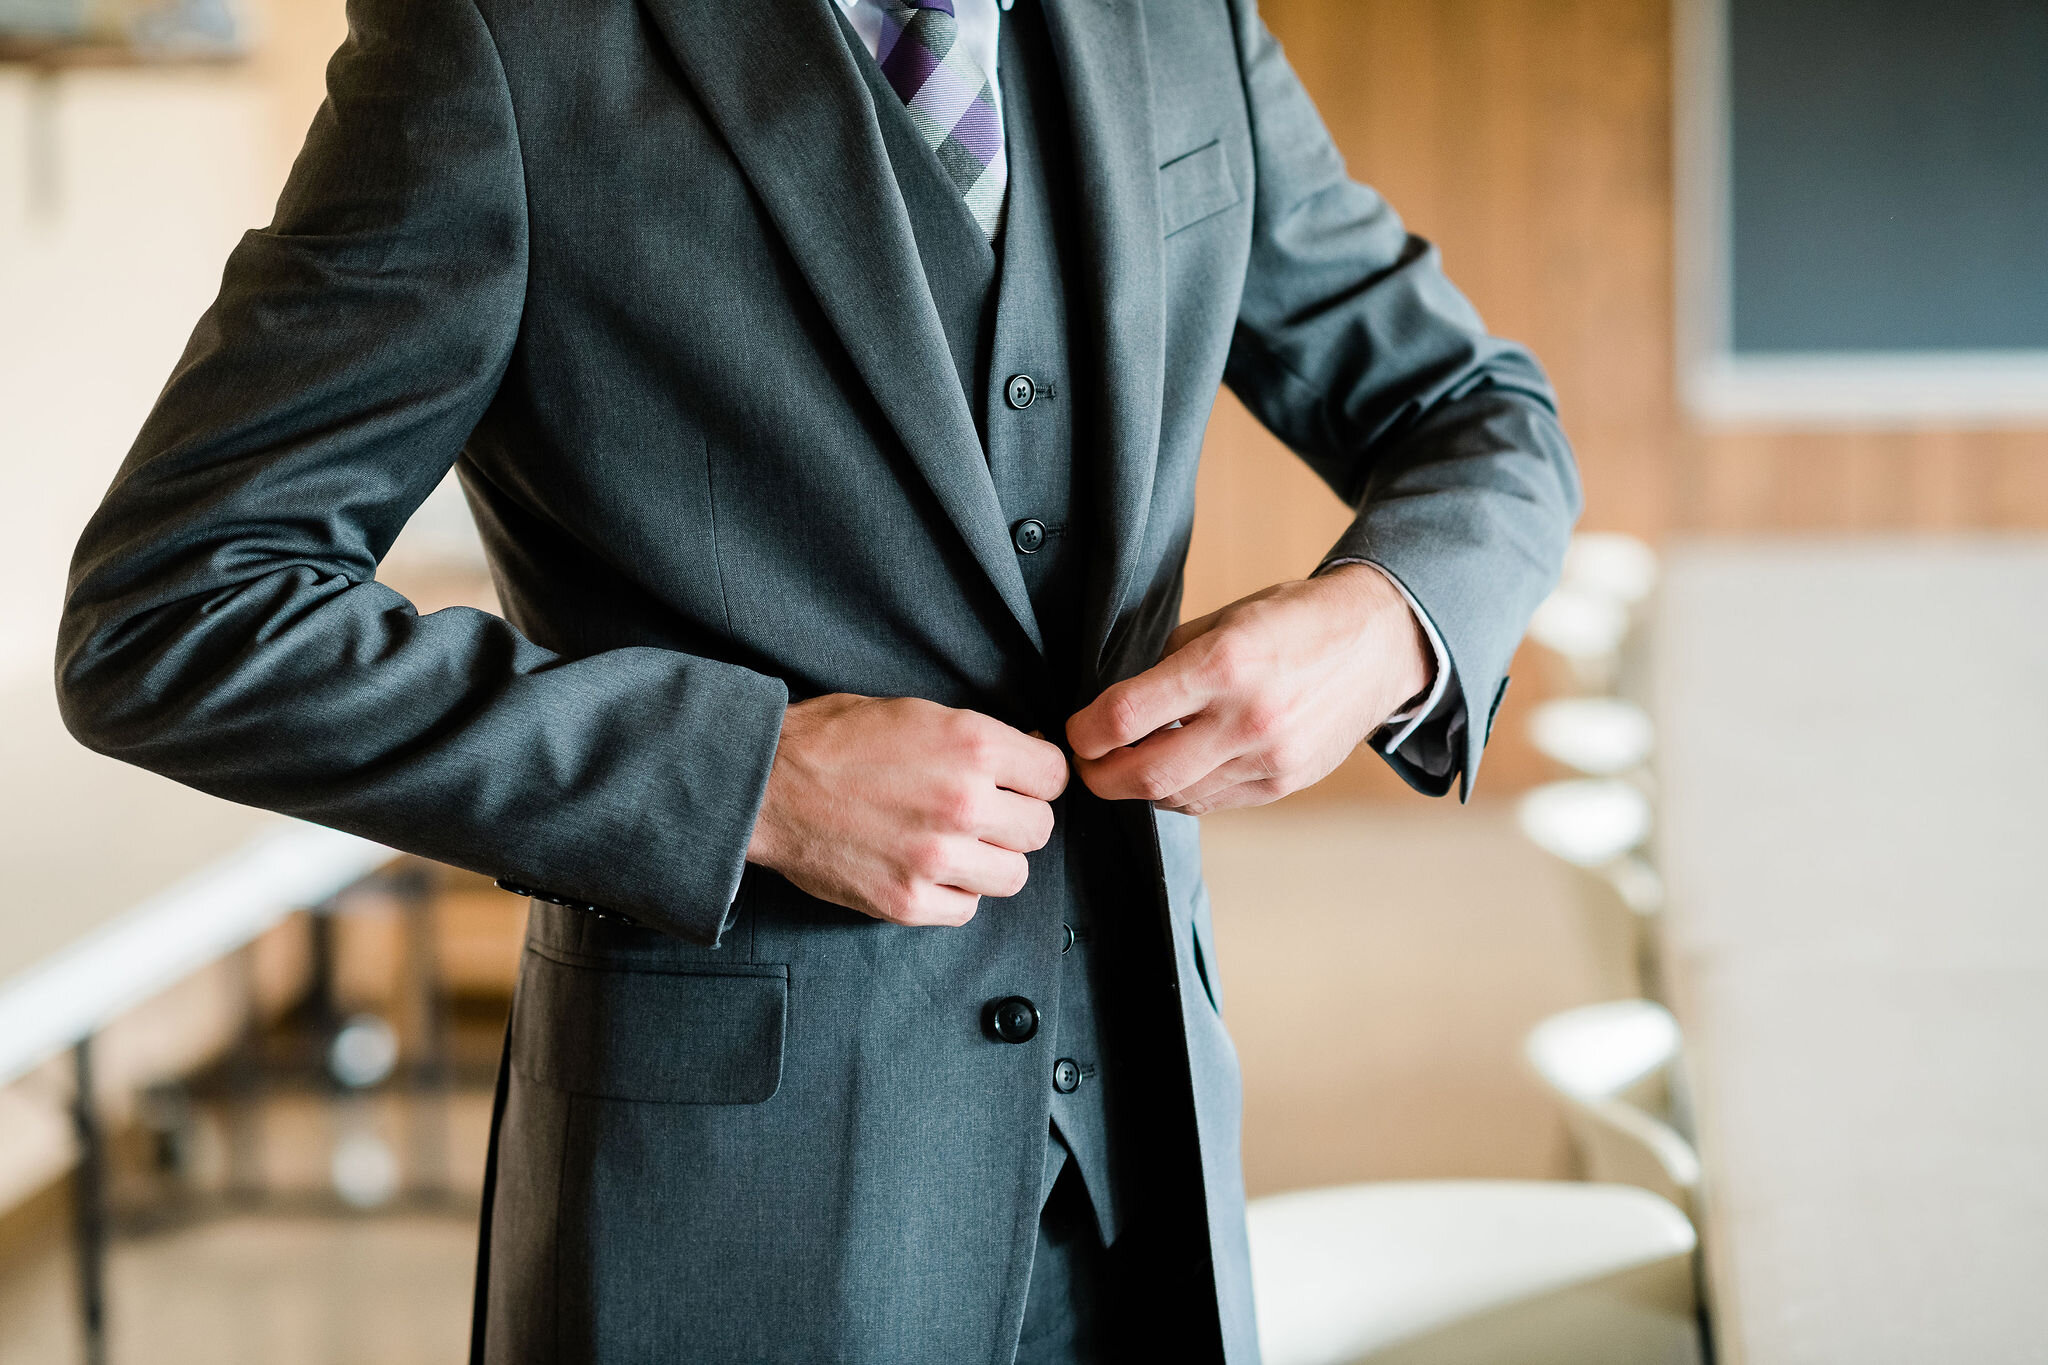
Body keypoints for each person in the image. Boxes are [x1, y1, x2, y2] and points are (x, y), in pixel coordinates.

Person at [55, 0, 1580, 1359]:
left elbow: (1476, 407)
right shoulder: (494, 39)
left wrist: (1385, 623)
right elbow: (176, 605)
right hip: (730, 1229)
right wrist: (748, 778)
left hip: (1149, 1182)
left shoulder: (1186, 22)